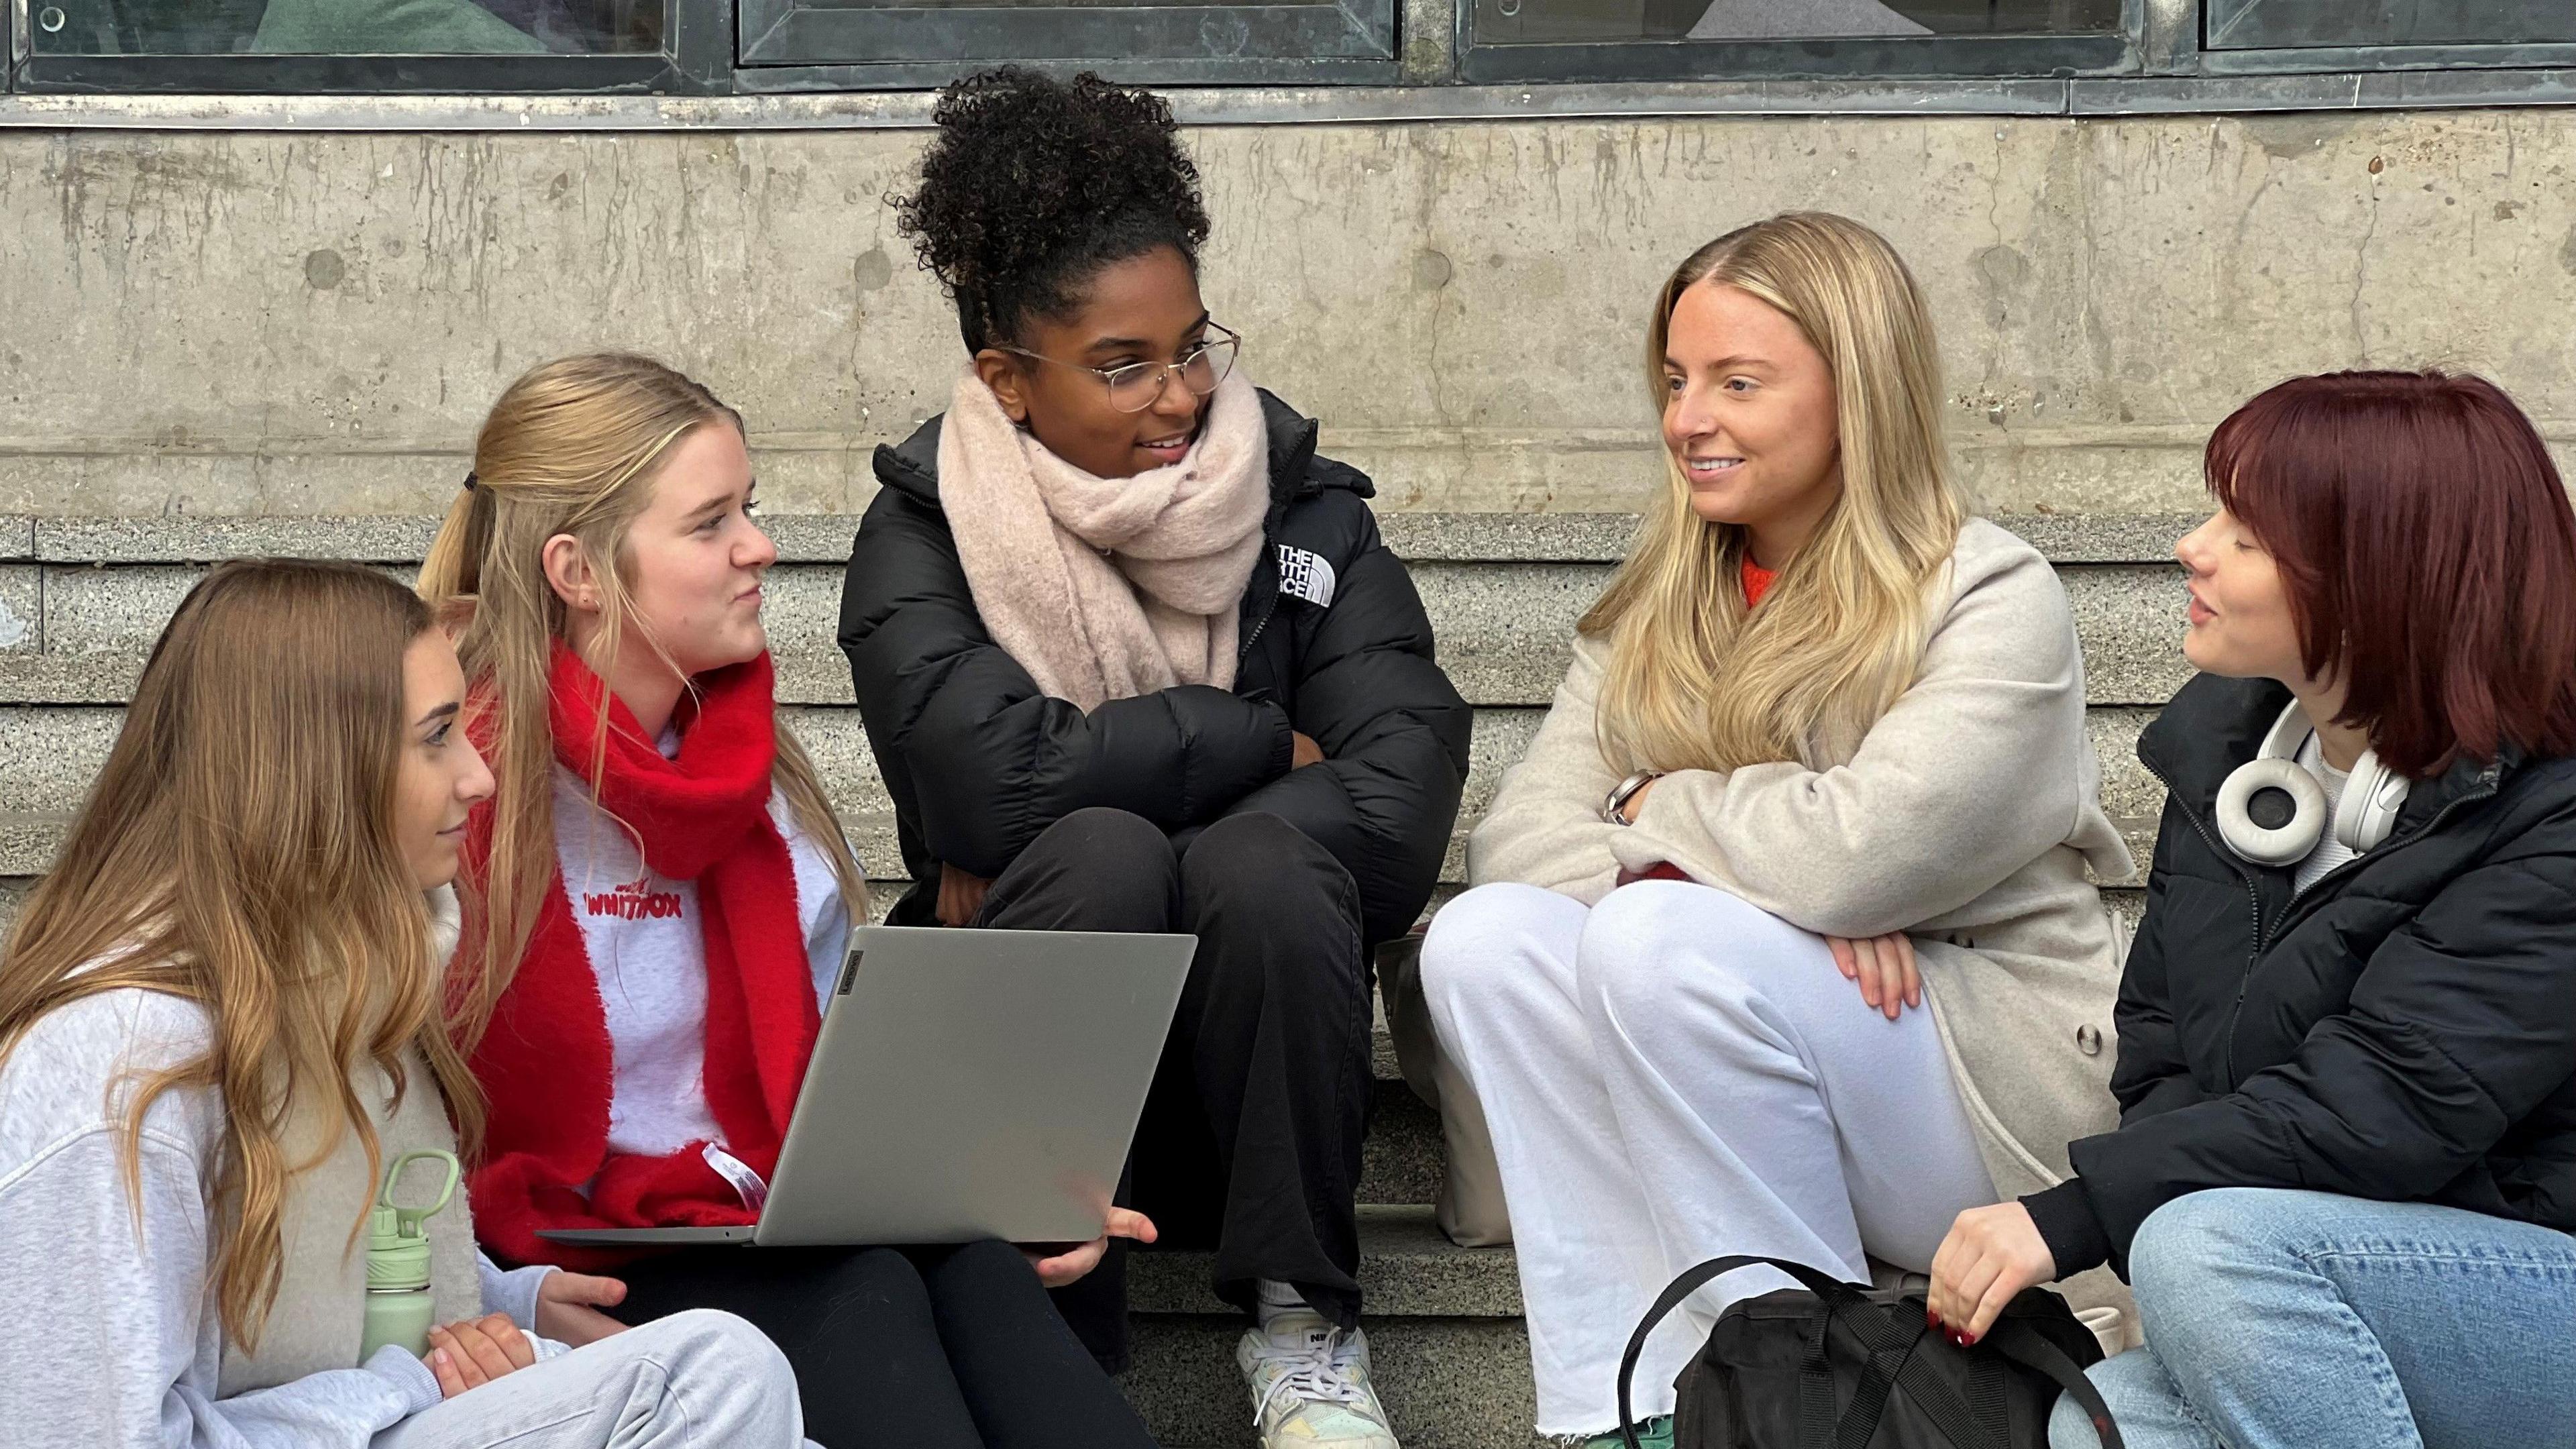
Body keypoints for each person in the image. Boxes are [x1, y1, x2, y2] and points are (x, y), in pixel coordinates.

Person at [1417, 212, 2134, 1446]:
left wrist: (1660, 821)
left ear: (1860, 390)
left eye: (1739, 384)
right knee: (1481, 940)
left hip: (1969, 1090)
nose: (1689, 419)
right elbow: (1519, 844)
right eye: (1678, 382)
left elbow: (1866, 852)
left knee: (1662, 942)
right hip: (1759, 1052)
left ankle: (1803, 1403)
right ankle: (1625, 1414)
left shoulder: (1989, 594)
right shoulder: (1657, 607)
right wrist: (1777, 907)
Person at [839, 67, 1472, 1449]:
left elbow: (1405, 781)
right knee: (1111, 850)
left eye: (1193, 347)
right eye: (1123, 364)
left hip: (1266, 1090)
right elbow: (990, 782)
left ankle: (1307, 1331)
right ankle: (1052, 1348)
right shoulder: (926, 536)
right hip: (1029, 1093)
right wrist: (1255, 738)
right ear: (1008, 382)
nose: (1181, 394)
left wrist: (1161, 811)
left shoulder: (1304, 509)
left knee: (1250, 860)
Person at [420, 353, 1160, 1449]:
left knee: (971, 1275)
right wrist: (487, 1295)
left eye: (749, 510)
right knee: (873, 1297)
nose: (759, 546)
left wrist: (1001, 1181)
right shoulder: (453, 785)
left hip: (767, 1218)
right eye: (712, 520)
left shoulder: (756, 778)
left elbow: (838, 1090)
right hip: (577, 1257)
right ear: (578, 568)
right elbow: (364, 1115)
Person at [0, 558, 806, 1448]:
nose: (480, 777)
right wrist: (407, 1386)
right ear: (311, 769)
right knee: (708, 1380)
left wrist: (500, 1301)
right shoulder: (120, 1062)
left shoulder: (354, 983)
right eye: (436, 737)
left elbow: (332, 1268)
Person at [1915, 370, 2576, 1449]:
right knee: (2112, 1423)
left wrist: (2081, 1215)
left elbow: (2389, 1106)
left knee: (2207, 1249)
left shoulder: (2554, 815)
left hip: (2530, 1276)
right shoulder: (2239, 781)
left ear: (2382, 572)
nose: (2193, 546)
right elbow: (2162, 1062)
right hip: (2333, 1268)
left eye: (2249, 534)